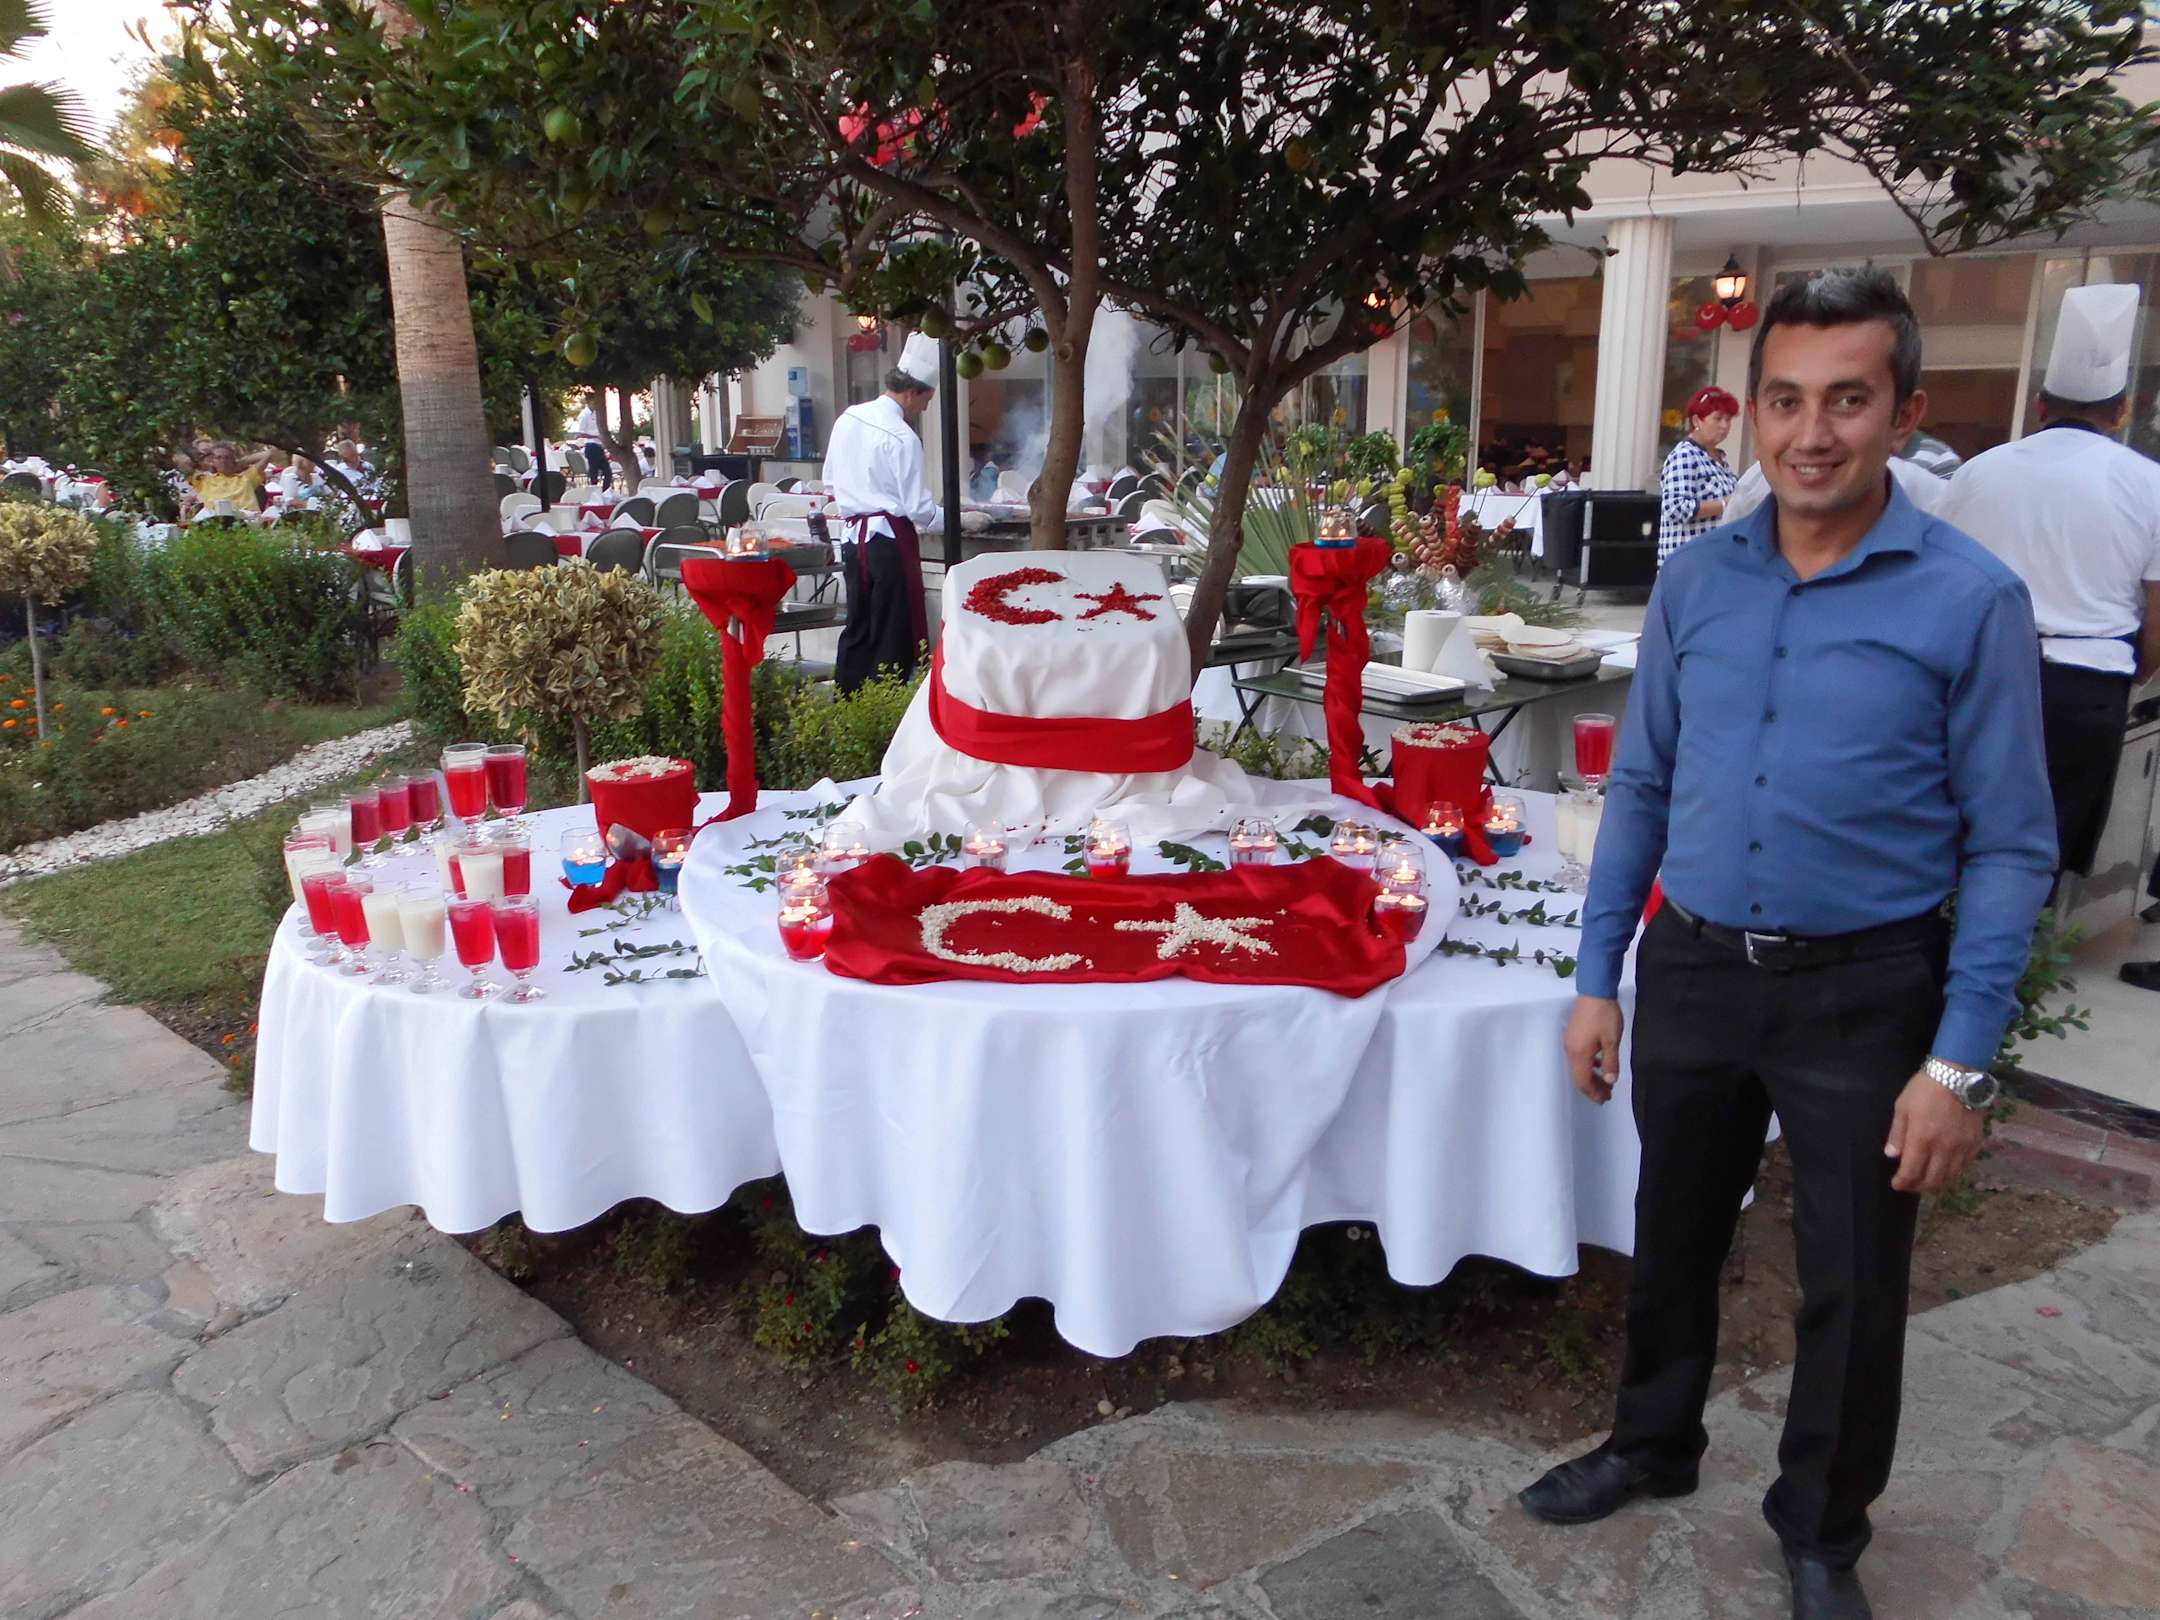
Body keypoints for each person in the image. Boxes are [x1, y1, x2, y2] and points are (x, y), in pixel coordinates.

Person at [1522, 269, 2056, 1620]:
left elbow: (2010, 847)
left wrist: (1960, 1064)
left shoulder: (1971, 600)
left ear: (1906, 413)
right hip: (1697, 967)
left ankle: (1822, 1530)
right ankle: (1652, 1442)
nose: (1812, 434)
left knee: (1853, 1280)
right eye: (1785, 400)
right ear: (1751, 412)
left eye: (1848, 400)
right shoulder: (1699, 581)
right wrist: (1598, 977)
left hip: (1865, 991)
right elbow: (1643, 785)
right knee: (1671, 1232)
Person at [1936, 283, 2160, 889]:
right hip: (2086, 687)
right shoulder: (2148, 484)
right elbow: (2158, 619)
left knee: (1955, 842)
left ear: (2039, 405)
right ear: (2122, 410)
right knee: (2040, 859)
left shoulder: (1976, 474)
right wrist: (2131, 671)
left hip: (1979, 676)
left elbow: (1937, 583)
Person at [826, 334, 956, 691]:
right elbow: (919, 511)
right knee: (893, 629)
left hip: (853, 540)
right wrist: (957, 518)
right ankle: (886, 704)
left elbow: (830, 479)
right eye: (927, 399)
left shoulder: (847, 418)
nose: (925, 408)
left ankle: (848, 700)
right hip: (888, 542)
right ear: (912, 393)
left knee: (858, 625)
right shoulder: (902, 437)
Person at [1656, 386, 1739, 564]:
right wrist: (1726, 504)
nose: (1724, 426)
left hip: (1714, 560)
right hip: (1687, 563)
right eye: (1717, 418)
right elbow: (1675, 508)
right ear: (1696, 420)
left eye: (1728, 419)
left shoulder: (1720, 459)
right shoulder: (1685, 455)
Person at [188, 442, 273, 514]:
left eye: (227, 457)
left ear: (233, 460)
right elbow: (183, 461)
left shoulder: (246, 477)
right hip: (217, 522)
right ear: (213, 462)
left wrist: (241, 462)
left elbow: (267, 454)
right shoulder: (204, 480)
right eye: (218, 457)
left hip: (246, 521)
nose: (223, 461)